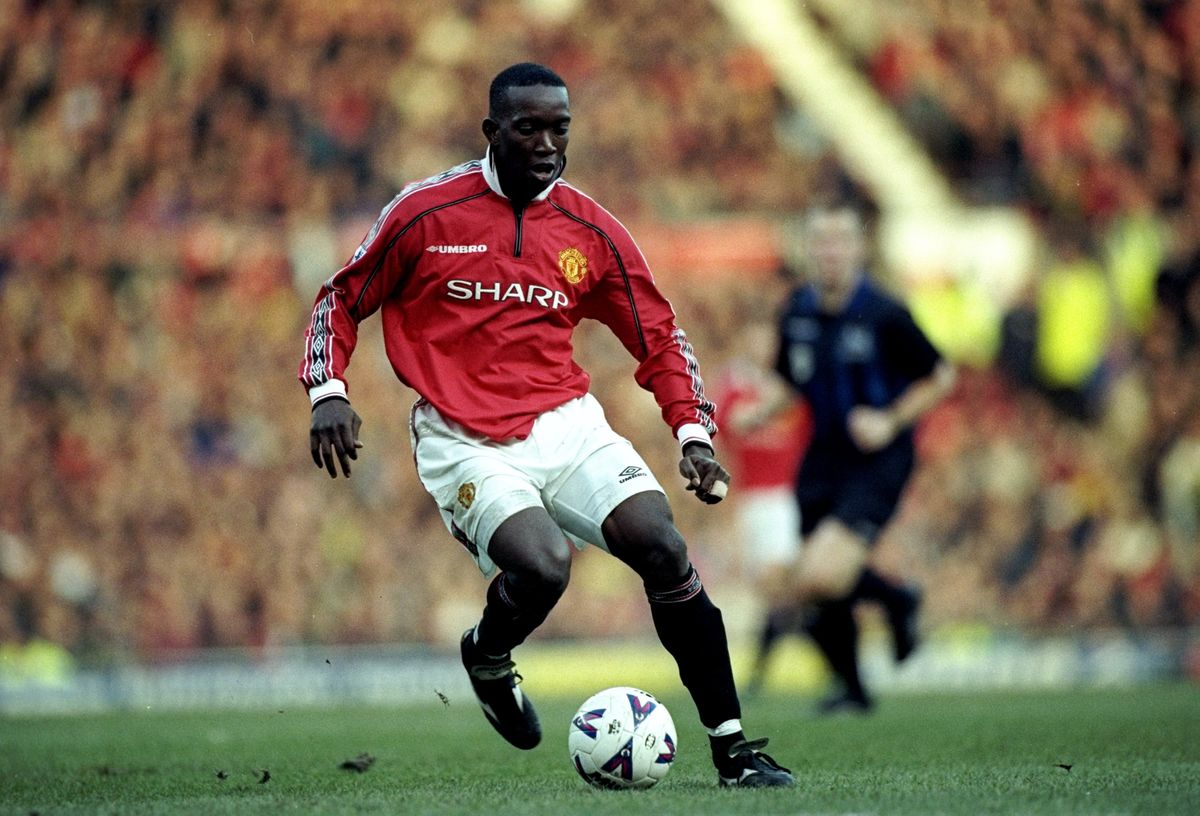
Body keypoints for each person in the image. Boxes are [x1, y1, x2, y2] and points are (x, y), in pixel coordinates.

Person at [299, 63, 793, 787]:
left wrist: (693, 434)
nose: (547, 142)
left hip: (566, 426)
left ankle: (734, 749)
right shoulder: (425, 213)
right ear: (491, 131)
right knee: (543, 564)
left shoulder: (591, 230)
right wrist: (328, 391)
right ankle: (489, 654)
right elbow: (341, 299)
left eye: (559, 127)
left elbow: (660, 336)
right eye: (527, 127)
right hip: (462, 439)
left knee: (661, 545)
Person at [755, 202, 955, 712]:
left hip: (877, 459)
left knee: (817, 575)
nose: (830, 251)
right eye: (820, 241)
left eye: (840, 240)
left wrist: (889, 419)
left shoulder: (886, 313)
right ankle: (854, 688)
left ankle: (896, 601)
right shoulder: (797, 308)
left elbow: (940, 376)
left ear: (859, 248)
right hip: (820, 458)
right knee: (817, 589)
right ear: (808, 249)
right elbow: (789, 379)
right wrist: (757, 414)